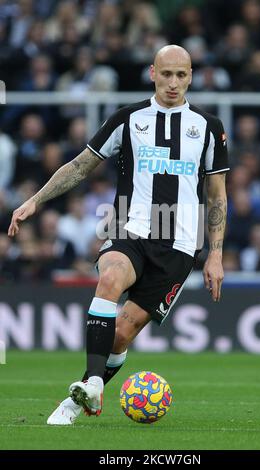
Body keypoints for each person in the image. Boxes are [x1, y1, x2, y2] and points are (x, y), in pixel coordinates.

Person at [8, 45, 229, 425]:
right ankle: (92, 383)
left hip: (178, 246)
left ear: (191, 76)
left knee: (121, 336)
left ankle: (79, 398)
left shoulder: (209, 128)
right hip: (130, 229)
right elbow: (81, 166)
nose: (173, 83)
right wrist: (36, 200)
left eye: (181, 75)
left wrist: (215, 254)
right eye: (166, 74)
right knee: (110, 277)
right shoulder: (128, 119)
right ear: (152, 73)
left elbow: (217, 195)